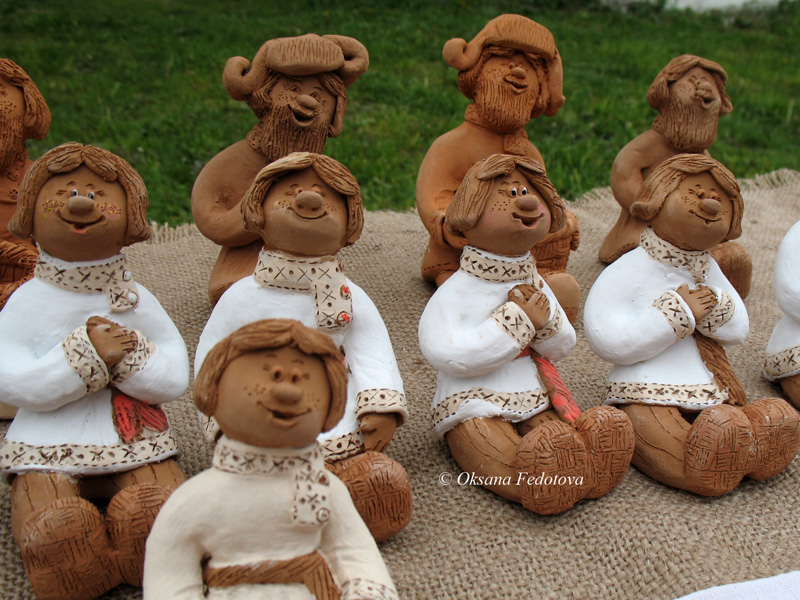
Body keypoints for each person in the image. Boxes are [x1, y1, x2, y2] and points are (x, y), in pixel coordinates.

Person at [0, 142, 189, 599]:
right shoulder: (27, 301)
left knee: (158, 508)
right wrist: (86, 355)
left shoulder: (135, 299)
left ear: (131, 217)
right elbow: (11, 375)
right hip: (48, 440)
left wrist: (126, 356)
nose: (80, 201)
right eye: (63, 191)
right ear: (30, 211)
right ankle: (68, 558)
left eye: (96, 192)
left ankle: (147, 547)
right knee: (55, 521)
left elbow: (175, 374)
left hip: (133, 438)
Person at [196, 152, 411, 541]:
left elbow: (371, 349)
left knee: (367, 474)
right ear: (258, 211)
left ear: (350, 225)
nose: (309, 201)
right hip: (260, 412)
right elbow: (214, 356)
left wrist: (380, 405)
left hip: (335, 412)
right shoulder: (240, 297)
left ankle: (359, 495)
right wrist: (218, 417)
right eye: (291, 191)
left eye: (327, 198)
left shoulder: (350, 296)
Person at [419, 154, 633, 515]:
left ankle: (590, 463)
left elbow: (563, 344)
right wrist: (517, 322)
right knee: (494, 446)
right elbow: (447, 351)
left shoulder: (534, 282)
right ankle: (537, 484)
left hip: (534, 392)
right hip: (473, 399)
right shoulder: (458, 290)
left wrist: (545, 323)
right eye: (509, 194)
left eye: (529, 191)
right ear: (466, 218)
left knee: (556, 436)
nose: (527, 201)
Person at [585, 153, 798, 496]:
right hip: (644, 386)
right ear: (656, 199)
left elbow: (739, 329)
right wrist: (677, 314)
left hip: (709, 383)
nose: (712, 205)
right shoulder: (629, 269)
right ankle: (700, 466)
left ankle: (759, 444)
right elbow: (606, 336)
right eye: (695, 193)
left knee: (725, 423)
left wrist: (715, 307)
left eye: (722, 200)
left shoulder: (707, 269)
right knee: (658, 431)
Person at [145, 319, 398, 600]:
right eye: (269, 373)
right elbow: (170, 574)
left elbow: (355, 553)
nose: (287, 392)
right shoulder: (194, 499)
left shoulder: (325, 488)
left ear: (332, 406)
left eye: (303, 377)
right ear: (213, 390)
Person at [192, 34, 368, 304]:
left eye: (319, 96)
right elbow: (210, 217)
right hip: (246, 266)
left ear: (335, 115)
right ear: (265, 99)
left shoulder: (321, 169)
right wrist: (259, 210)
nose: (307, 102)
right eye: (293, 90)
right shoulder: (237, 162)